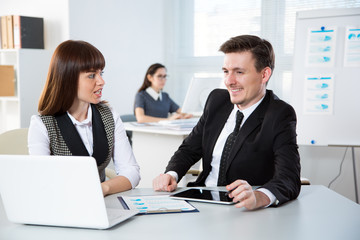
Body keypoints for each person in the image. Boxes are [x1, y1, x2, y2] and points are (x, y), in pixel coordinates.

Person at [153, 35, 301, 210]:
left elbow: (289, 178)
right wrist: (171, 173)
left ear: (264, 74)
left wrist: (259, 196)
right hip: (201, 201)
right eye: (226, 71)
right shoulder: (217, 100)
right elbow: (189, 149)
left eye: (239, 72)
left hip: (244, 211)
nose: (229, 81)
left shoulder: (279, 114)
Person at [28, 40, 140, 196]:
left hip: (102, 203)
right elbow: (41, 180)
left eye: (101, 73)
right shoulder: (42, 124)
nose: (101, 81)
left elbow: (131, 171)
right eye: (92, 75)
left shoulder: (109, 115)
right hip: (62, 204)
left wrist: (103, 189)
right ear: (68, 79)